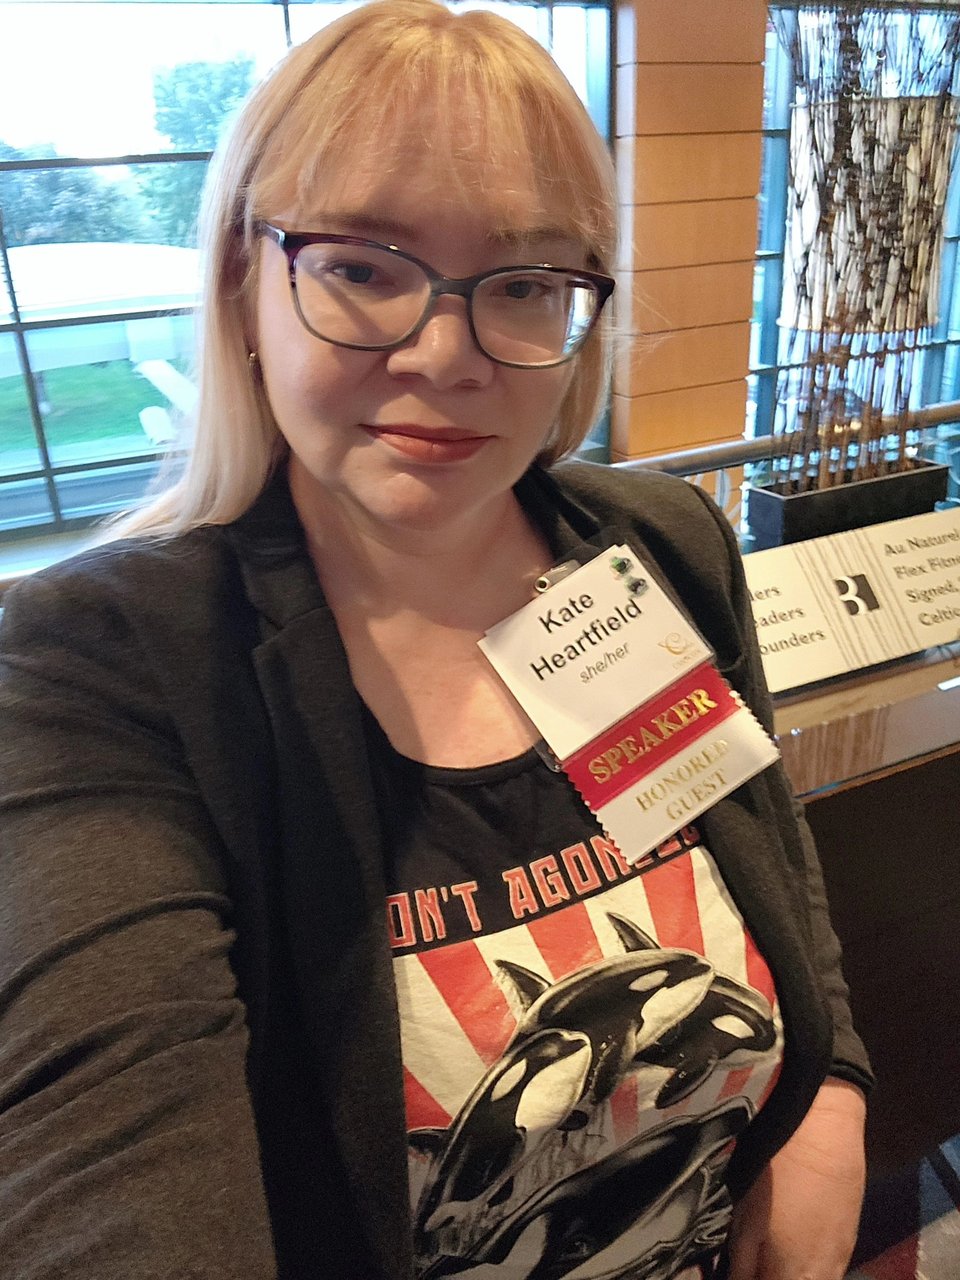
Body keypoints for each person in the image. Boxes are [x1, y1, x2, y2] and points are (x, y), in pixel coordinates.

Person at [0, 3, 872, 1277]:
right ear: (249, 284)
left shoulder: (655, 545)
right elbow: (109, 1148)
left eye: (522, 283)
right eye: (362, 266)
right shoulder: (100, 671)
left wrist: (829, 1095)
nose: (447, 352)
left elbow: (771, 858)